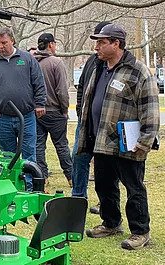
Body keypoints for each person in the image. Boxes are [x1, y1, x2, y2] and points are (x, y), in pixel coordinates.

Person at [78, 24, 159, 250]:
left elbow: (150, 110)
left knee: (134, 187)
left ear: (117, 44)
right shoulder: (99, 68)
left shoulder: (138, 71)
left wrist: (144, 142)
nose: (97, 47)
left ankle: (141, 231)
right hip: (101, 140)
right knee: (104, 187)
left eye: (102, 43)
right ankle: (111, 223)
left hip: (128, 143)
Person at [0, 27, 46, 191]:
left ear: (12, 41)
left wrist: (40, 103)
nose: (1, 46)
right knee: (7, 155)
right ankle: (10, 187)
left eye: (4, 42)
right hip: (3, 118)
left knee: (29, 153)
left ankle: (29, 188)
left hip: (27, 116)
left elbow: (38, 82)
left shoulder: (27, 59)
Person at [71, 21, 111, 214]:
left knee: (106, 168)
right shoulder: (91, 61)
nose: (96, 46)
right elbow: (81, 88)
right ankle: (78, 198)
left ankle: (107, 204)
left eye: (100, 41)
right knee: (79, 158)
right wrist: (81, 112)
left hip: (106, 127)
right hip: (86, 124)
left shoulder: (116, 66)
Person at [33, 33, 72, 187]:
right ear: (50, 45)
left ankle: (42, 177)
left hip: (37, 112)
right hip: (55, 110)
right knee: (61, 145)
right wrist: (64, 110)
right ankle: (71, 177)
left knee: (38, 145)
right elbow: (62, 90)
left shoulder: (32, 62)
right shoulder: (56, 63)